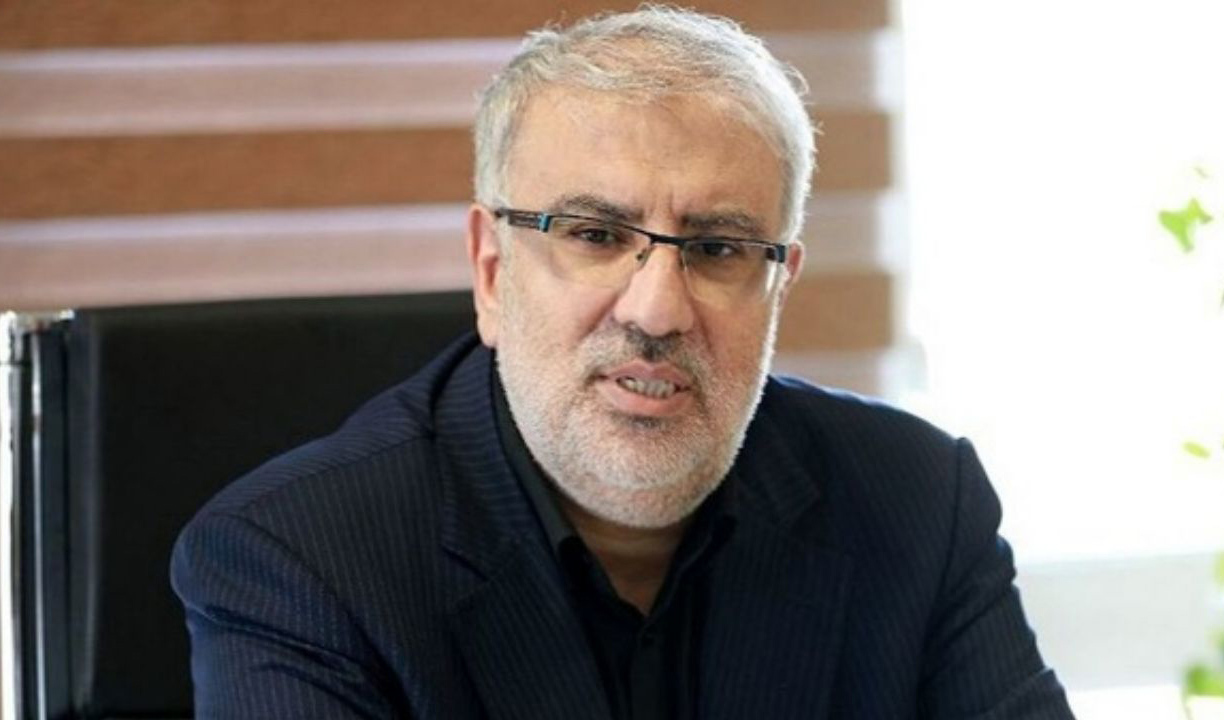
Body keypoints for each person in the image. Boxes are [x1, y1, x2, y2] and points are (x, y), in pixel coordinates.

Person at [171, 6, 1075, 719]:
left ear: (779, 286)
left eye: (718, 248)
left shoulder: (917, 502)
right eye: (596, 235)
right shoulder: (299, 560)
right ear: (492, 270)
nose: (656, 310)